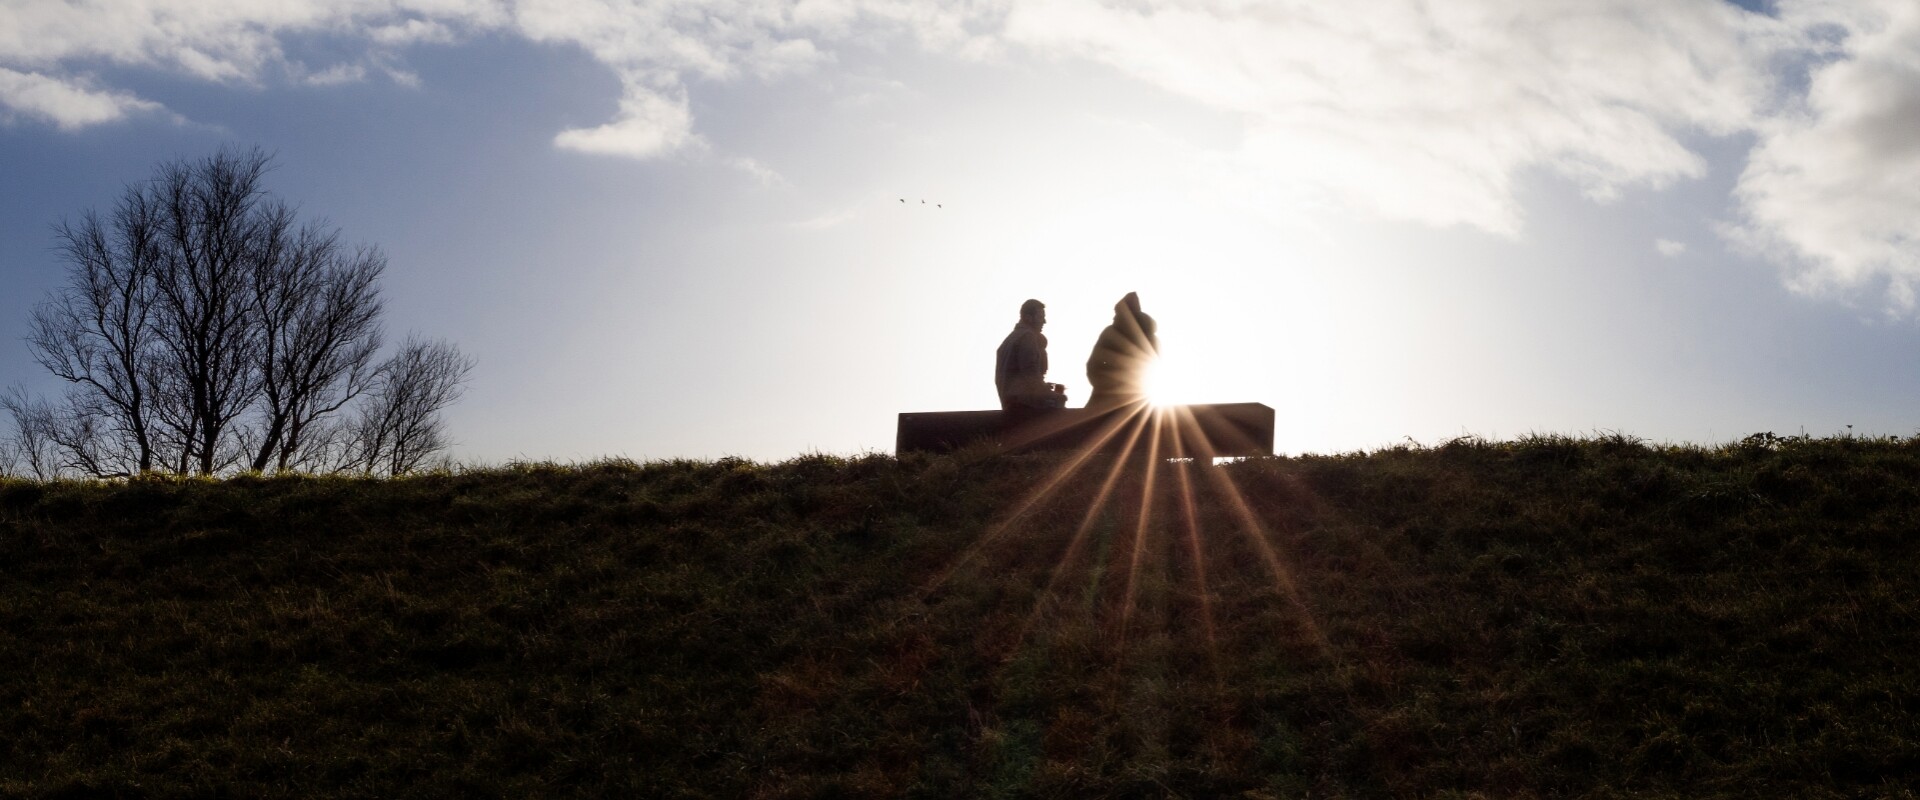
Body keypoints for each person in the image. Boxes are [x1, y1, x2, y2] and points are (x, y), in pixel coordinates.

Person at [1085, 291, 1158, 411]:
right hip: (1137, 395)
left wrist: (1103, 383)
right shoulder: (1150, 336)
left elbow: (1093, 364)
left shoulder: (1110, 333)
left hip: (1108, 395)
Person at [995, 298, 1068, 410]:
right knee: (1061, 405)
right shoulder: (1027, 337)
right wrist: (1052, 394)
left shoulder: (1009, 340)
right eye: (1041, 317)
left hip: (1009, 402)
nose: (1044, 321)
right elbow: (1030, 374)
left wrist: (1044, 387)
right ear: (1028, 318)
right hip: (1023, 404)